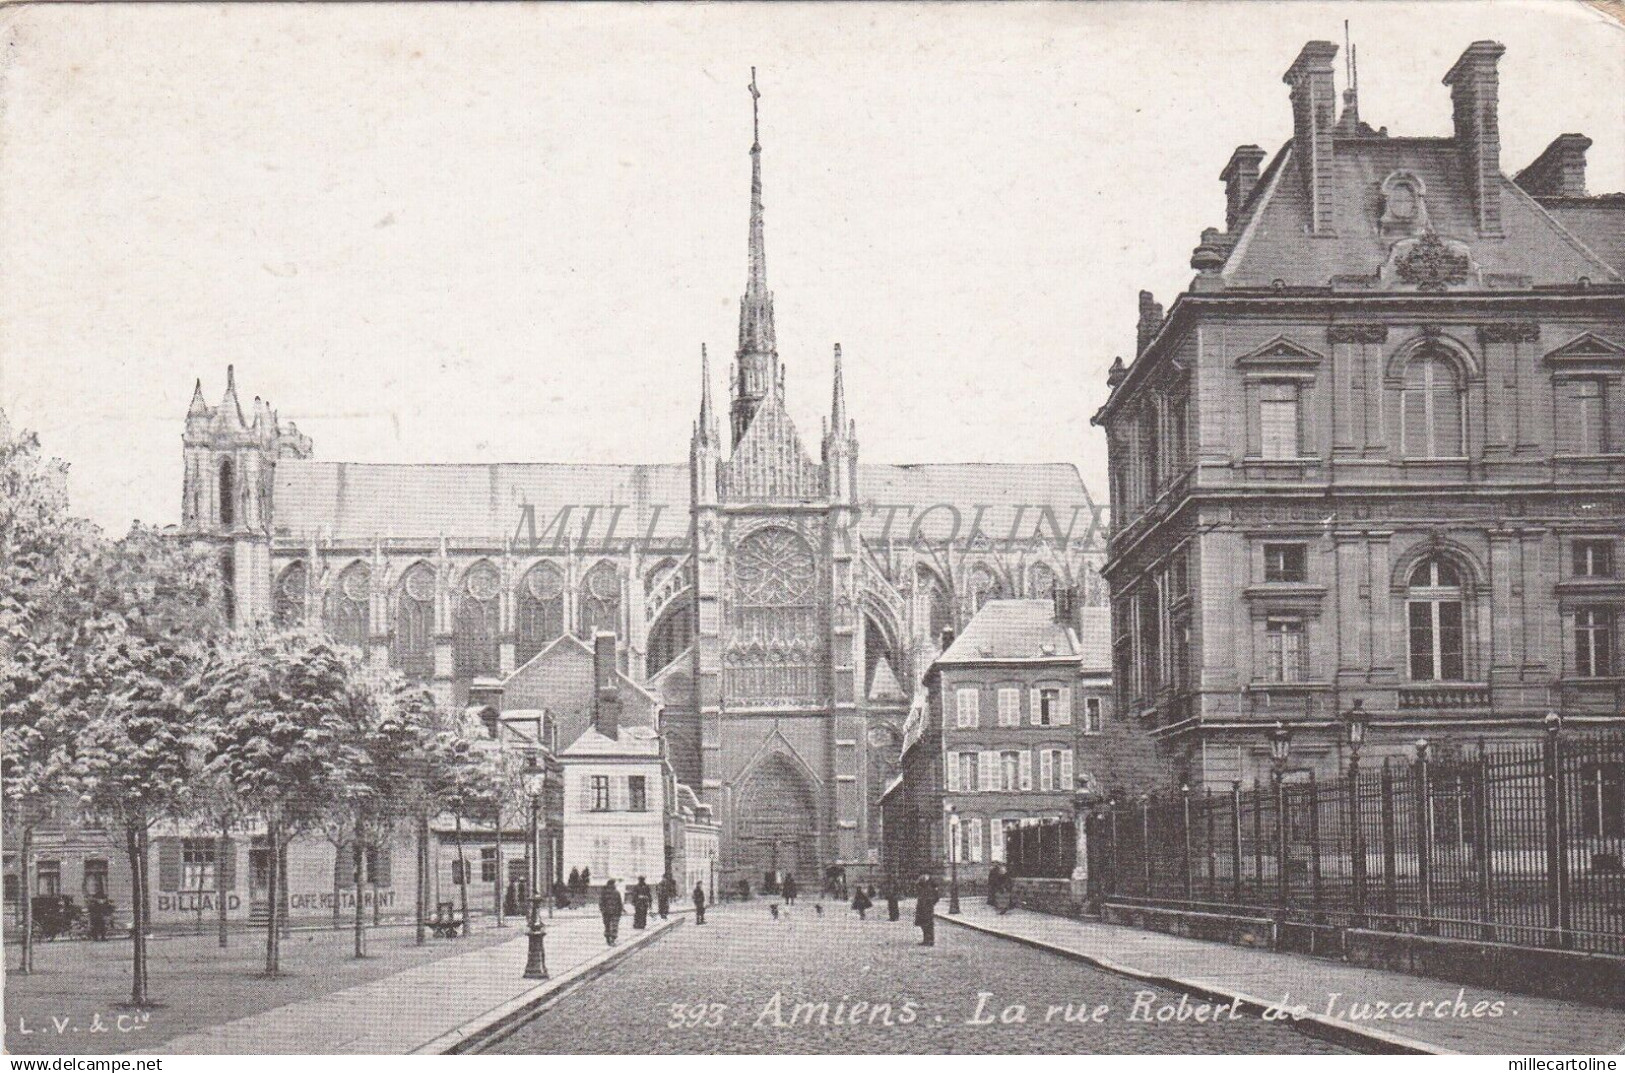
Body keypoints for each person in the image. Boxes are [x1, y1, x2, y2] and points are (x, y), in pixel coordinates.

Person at [914, 874, 939, 947]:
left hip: (927, 907)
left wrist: (931, 904)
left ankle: (930, 940)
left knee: (928, 924)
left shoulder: (931, 886)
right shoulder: (922, 885)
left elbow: (936, 897)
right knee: (923, 924)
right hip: (922, 906)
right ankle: (926, 940)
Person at [599, 879, 623, 946]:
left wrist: (602, 910)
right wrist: (620, 911)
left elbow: (601, 903)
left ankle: (609, 940)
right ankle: (612, 940)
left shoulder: (604, 892)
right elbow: (620, 903)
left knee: (607, 926)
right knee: (613, 926)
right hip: (614, 912)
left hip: (608, 912)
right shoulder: (616, 892)